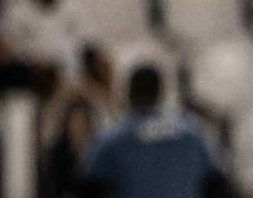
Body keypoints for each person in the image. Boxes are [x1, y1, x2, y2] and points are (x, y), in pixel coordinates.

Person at [79, 64, 231, 198]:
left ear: (129, 93)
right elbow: (217, 185)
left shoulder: (111, 141)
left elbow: (89, 188)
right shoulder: (191, 133)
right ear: (161, 92)